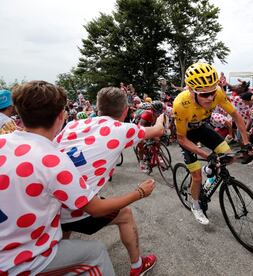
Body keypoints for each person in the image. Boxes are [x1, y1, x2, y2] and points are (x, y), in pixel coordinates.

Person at [0, 81, 152, 275]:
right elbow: (94, 208)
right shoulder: (54, 160)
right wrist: (139, 192)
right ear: (60, 116)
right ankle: (137, 267)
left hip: (20, 233)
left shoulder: (4, 141)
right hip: (21, 260)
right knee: (97, 251)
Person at [55, 87, 165, 275]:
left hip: (52, 204)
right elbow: (158, 131)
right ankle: (138, 266)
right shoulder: (123, 129)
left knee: (66, 221)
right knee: (125, 215)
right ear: (125, 111)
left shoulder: (73, 125)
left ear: (98, 109)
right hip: (79, 207)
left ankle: (62, 257)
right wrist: (162, 117)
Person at [173, 63, 253, 225]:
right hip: (187, 137)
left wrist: (246, 143)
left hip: (202, 128)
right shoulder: (181, 104)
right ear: (190, 90)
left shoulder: (217, 93)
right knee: (196, 177)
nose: (210, 97)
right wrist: (207, 155)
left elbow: (236, 116)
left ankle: (208, 169)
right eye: (205, 94)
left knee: (229, 157)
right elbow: (181, 139)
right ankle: (195, 206)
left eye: (212, 92)